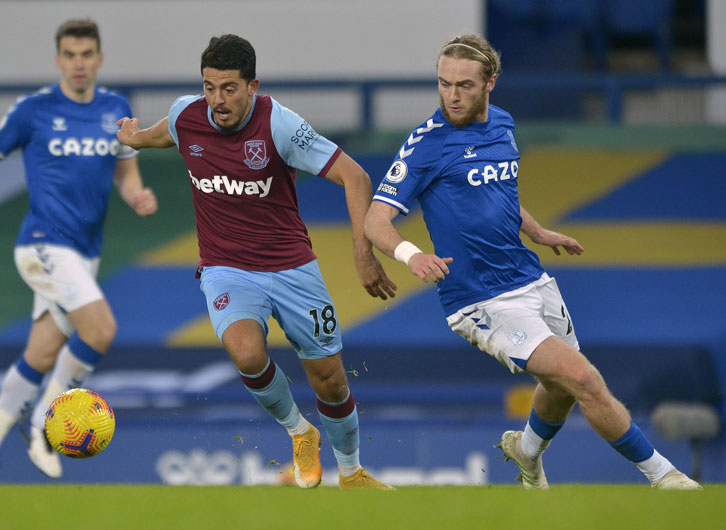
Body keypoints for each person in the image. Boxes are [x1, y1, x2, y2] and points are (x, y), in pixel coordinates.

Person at [363, 33, 702, 490]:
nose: (452, 95)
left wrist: (536, 230)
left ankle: (525, 452)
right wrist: (412, 255)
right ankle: (667, 479)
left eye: (464, 85)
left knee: (561, 389)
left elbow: (498, 193)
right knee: (583, 376)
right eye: (444, 84)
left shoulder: (502, 124)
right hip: (479, 297)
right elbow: (375, 220)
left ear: (491, 83)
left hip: (530, 277)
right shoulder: (426, 143)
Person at [116, 34, 397, 490]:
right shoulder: (188, 115)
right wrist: (134, 138)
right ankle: (299, 432)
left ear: (252, 86)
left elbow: (356, 176)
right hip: (226, 266)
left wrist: (363, 255)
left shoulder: (279, 125)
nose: (217, 100)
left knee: (330, 382)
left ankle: (351, 472)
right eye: (209, 87)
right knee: (246, 353)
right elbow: (160, 133)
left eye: (229, 88)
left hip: (292, 268)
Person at [0, 18, 158, 478]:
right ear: (58, 60)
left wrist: (136, 195)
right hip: (43, 245)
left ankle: (26, 425)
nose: (78, 64)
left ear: (99, 58)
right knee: (101, 330)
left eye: (86, 54)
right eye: (70, 55)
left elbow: (126, 170)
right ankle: (46, 425)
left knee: (42, 355)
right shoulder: (33, 110)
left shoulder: (116, 108)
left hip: (85, 252)